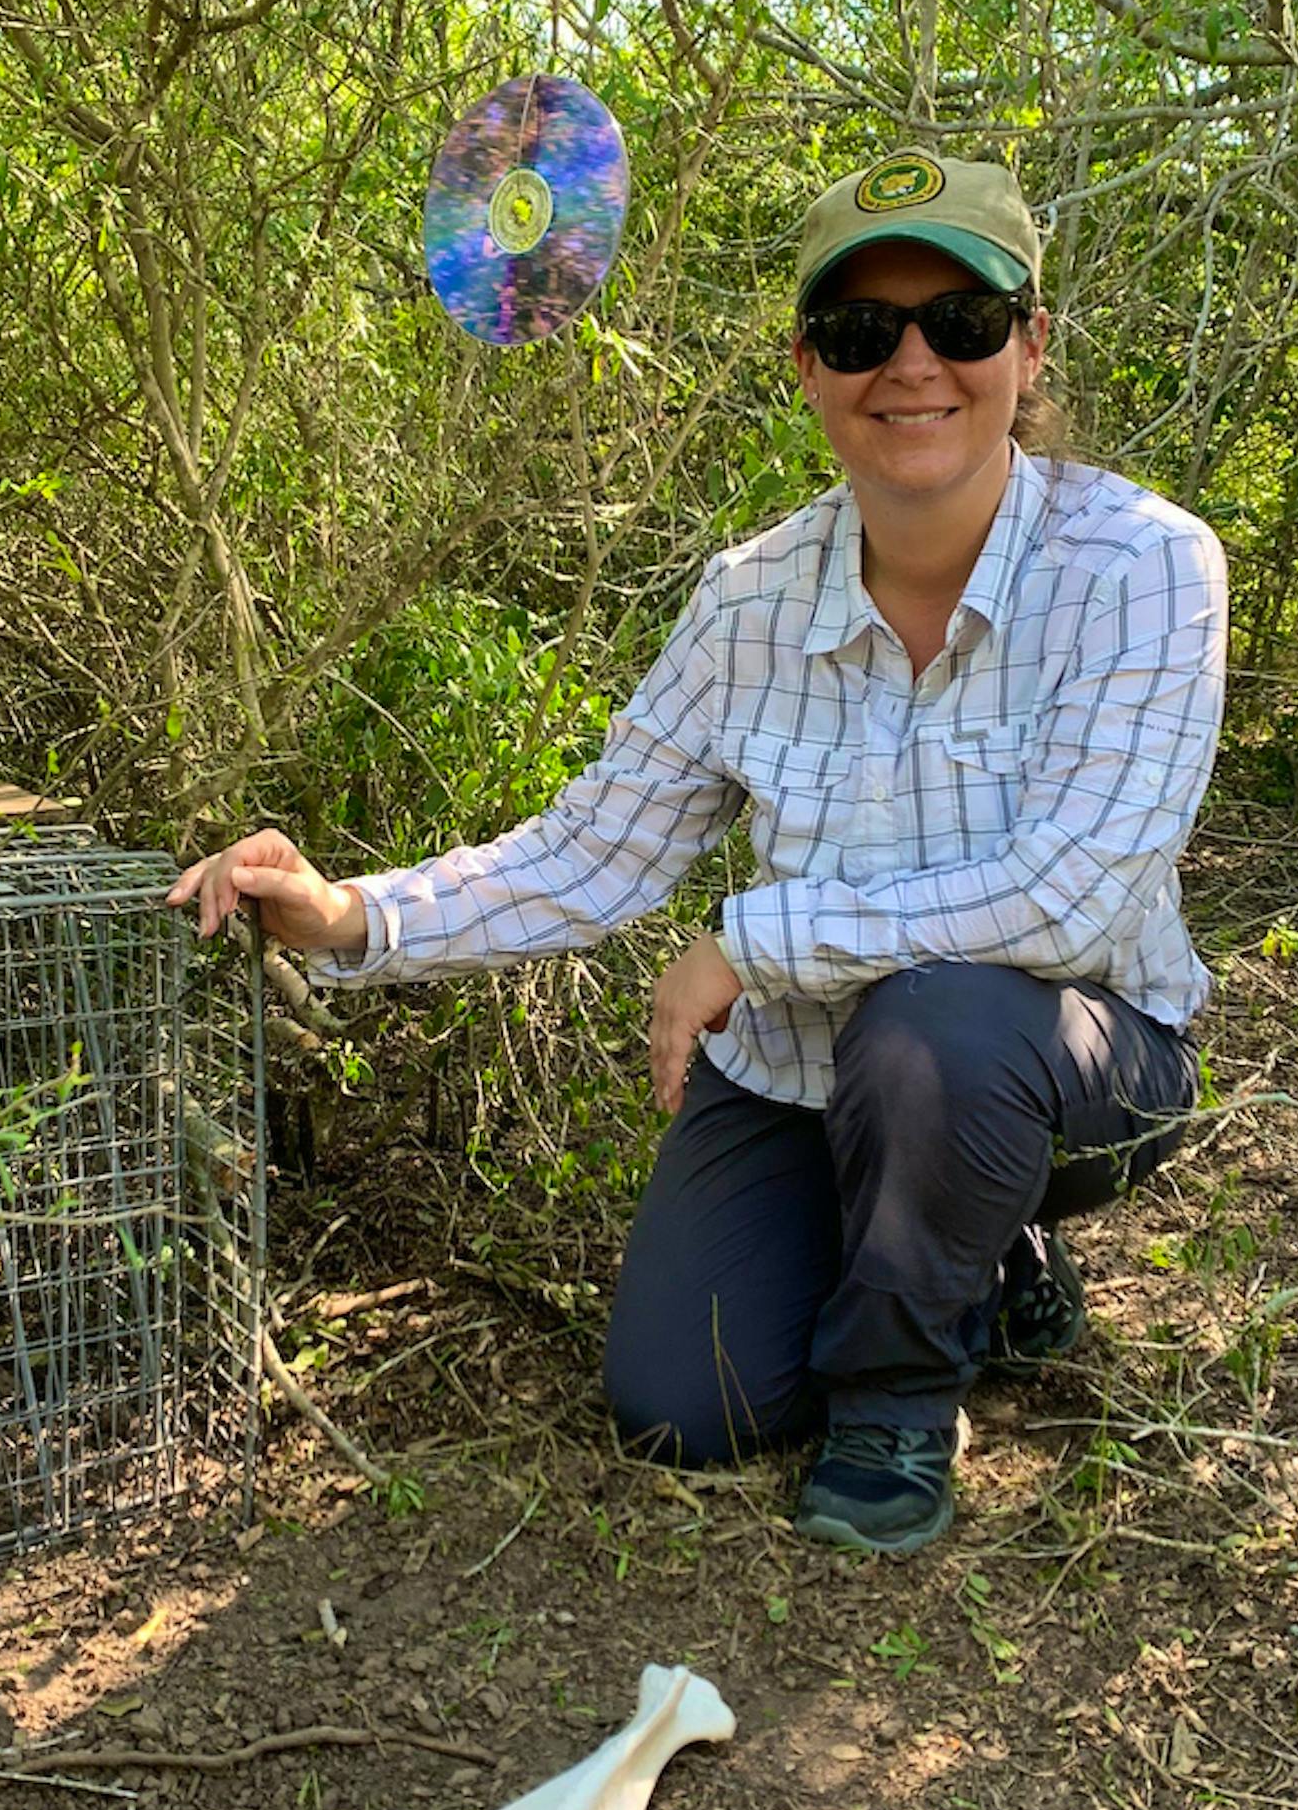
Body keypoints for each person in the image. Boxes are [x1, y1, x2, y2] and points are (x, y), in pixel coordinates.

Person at [169, 148, 1226, 1556]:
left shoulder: (1144, 565)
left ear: (1027, 350)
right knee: (685, 1402)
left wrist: (750, 944)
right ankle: (979, 1253)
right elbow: (593, 850)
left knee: (944, 1022)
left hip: (1067, 1064)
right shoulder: (745, 601)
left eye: (960, 323)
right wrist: (350, 913)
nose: (912, 365)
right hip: (807, 1070)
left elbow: (1071, 900)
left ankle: (901, 1401)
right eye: (862, 333)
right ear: (808, 367)